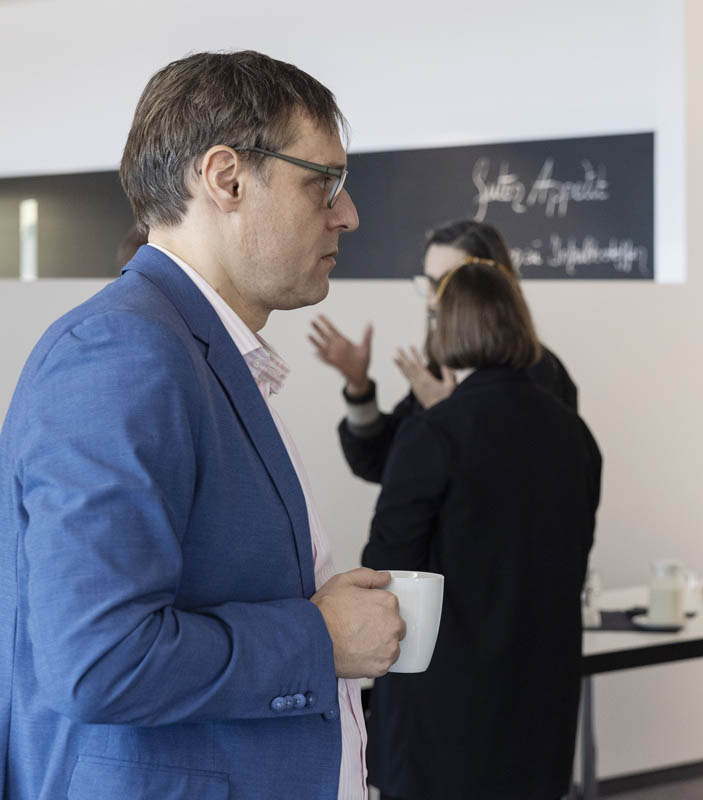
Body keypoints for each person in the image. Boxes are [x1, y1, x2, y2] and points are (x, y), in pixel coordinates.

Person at [0, 51, 406, 799]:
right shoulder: (123, 353)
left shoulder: (187, 348)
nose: (346, 213)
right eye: (324, 182)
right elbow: (100, 660)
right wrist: (320, 638)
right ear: (226, 179)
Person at [359, 259, 601, 799]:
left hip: (444, 716)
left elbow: (385, 568)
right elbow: (572, 559)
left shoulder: (434, 434)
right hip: (542, 702)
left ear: (445, 331)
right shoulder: (575, 435)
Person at [310, 219, 577, 485]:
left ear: (490, 284)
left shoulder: (538, 371)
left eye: (449, 283)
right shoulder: (441, 369)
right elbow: (381, 463)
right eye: (430, 283)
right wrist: (359, 387)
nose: (433, 300)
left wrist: (447, 413)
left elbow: (528, 483)